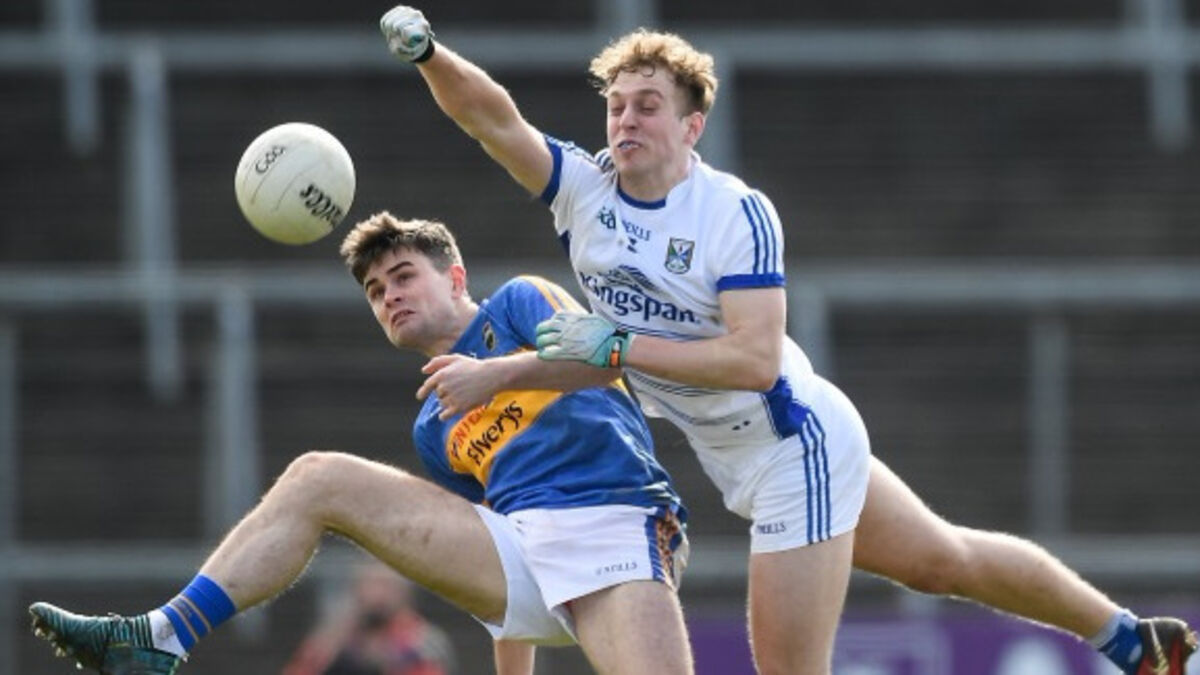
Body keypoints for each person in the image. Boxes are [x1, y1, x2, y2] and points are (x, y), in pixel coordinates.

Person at [378, 7, 1199, 675]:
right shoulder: (585, 193)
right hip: (738, 452)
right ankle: (1134, 641)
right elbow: (492, 118)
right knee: (945, 559)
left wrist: (615, 346)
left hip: (791, 442)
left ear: (692, 125)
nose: (625, 118)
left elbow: (752, 360)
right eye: (616, 104)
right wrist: (427, 53)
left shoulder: (734, 212)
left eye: (648, 104)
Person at [28, 214, 693, 675]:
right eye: (376, 292)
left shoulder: (519, 302)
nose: (389, 296)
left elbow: (604, 362)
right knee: (317, 476)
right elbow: (495, 549)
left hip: (612, 519)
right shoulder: (433, 422)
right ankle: (161, 636)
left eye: (403, 276)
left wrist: (495, 374)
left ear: (455, 277)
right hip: (524, 547)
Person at [283, 560, 455, 675]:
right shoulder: (335, 637)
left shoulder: (421, 641)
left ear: (403, 594)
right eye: (371, 584)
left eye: (387, 586)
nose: (378, 594)